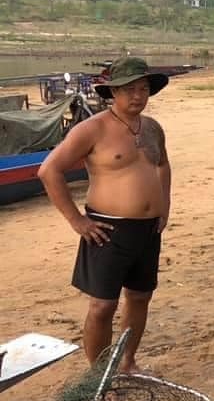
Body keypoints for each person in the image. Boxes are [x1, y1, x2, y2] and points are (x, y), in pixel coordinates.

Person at [38, 57, 171, 373]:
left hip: (148, 230)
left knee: (139, 298)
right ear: (112, 92)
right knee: (102, 306)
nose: (137, 96)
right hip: (107, 229)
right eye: (128, 90)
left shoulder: (152, 128)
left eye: (143, 88)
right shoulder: (92, 129)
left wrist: (164, 207)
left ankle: (127, 362)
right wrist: (77, 220)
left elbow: (163, 165)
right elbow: (49, 170)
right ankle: (100, 376)